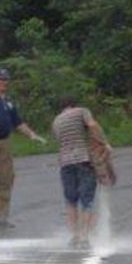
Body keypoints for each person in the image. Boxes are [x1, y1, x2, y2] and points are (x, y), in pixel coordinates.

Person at [0, 67, 48, 229]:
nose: (3, 82)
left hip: (5, 143)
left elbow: (18, 122)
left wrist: (32, 135)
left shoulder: (8, 100)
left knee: (5, 180)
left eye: (6, 79)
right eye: (0, 79)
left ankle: (0, 219)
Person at [51, 96, 109, 247]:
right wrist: (104, 143)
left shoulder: (56, 121)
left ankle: (74, 235)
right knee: (87, 199)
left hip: (65, 163)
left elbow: (59, 141)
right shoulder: (82, 111)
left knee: (71, 200)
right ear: (73, 105)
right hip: (83, 159)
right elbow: (92, 125)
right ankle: (85, 236)